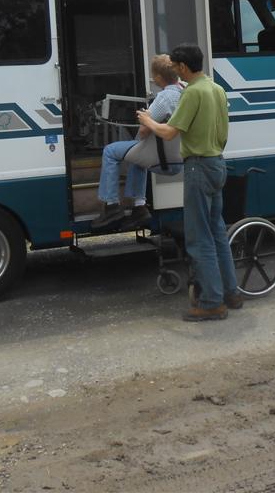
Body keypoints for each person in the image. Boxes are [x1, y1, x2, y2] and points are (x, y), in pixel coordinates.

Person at [137, 43, 241, 322]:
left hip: (198, 167)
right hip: (218, 162)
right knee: (218, 232)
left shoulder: (193, 93)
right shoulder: (215, 89)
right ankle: (231, 292)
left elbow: (169, 132)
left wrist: (148, 118)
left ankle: (211, 303)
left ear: (183, 67)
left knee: (199, 238)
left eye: (176, 66)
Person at [92, 55, 183, 231]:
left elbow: (143, 131)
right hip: (180, 158)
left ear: (157, 78)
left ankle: (111, 206)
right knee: (138, 155)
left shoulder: (165, 97)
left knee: (110, 151)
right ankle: (139, 207)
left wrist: (144, 121)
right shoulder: (186, 92)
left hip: (161, 159)